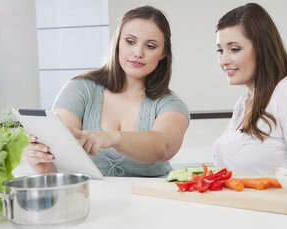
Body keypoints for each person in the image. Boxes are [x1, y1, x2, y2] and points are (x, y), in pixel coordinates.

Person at [25, 6, 190, 177]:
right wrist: (47, 167)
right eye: (130, 42)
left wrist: (113, 138)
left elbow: (162, 147)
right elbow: (63, 152)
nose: (138, 53)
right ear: (118, 42)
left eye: (150, 46)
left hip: (154, 201)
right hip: (91, 200)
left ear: (163, 53)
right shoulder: (79, 90)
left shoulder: (171, 105)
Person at [213, 3, 287, 175]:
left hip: (281, 202)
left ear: (262, 48)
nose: (224, 60)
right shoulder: (243, 104)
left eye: (234, 49)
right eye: (219, 50)